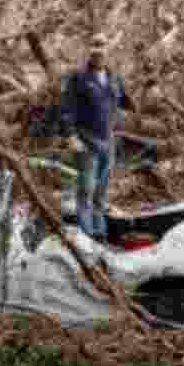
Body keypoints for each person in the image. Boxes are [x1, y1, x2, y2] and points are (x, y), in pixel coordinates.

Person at [60, 34, 135, 240]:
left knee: (101, 192)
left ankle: (100, 234)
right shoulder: (77, 78)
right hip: (86, 140)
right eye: (95, 47)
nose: (99, 51)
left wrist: (122, 117)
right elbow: (66, 109)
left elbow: (126, 104)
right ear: (89, 50)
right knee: (86, 190)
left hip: (108, 141)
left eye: (103, 47)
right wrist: (70, 136)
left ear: (108, 51)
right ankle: (86, 234)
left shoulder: (115, 77)